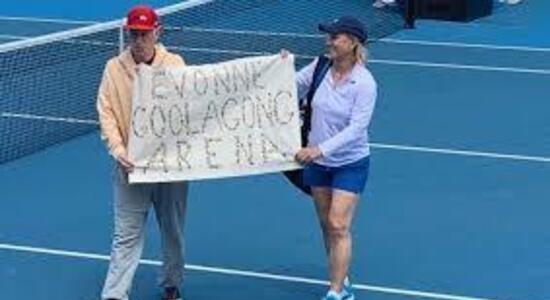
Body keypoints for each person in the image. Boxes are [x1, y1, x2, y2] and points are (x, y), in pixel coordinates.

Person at [96, 5, 188, 300]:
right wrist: (117, 150)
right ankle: (114, 294)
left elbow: (196, 103)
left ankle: (171, 285)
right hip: (129, 168)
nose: (138, 41)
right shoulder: (113, 68)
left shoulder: (175, 65)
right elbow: (106, 112)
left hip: (170, 169)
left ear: (157, 33)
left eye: (144, 34)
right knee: (125, 236)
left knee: (172, 232)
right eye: (133, 34)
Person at [294, 16, 376, 300]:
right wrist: (277, 68)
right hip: (319, 166)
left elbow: (357, 129)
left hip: (350, 164)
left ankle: (337, 292)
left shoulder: (365, 83)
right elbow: (289, 87)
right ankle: (340, 273)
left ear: (353, 43)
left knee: (338, 224)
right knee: (326, 225)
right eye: (328, 36)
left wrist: (319, 149)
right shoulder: (319, 68)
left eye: (335, 37)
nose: (328, 41)